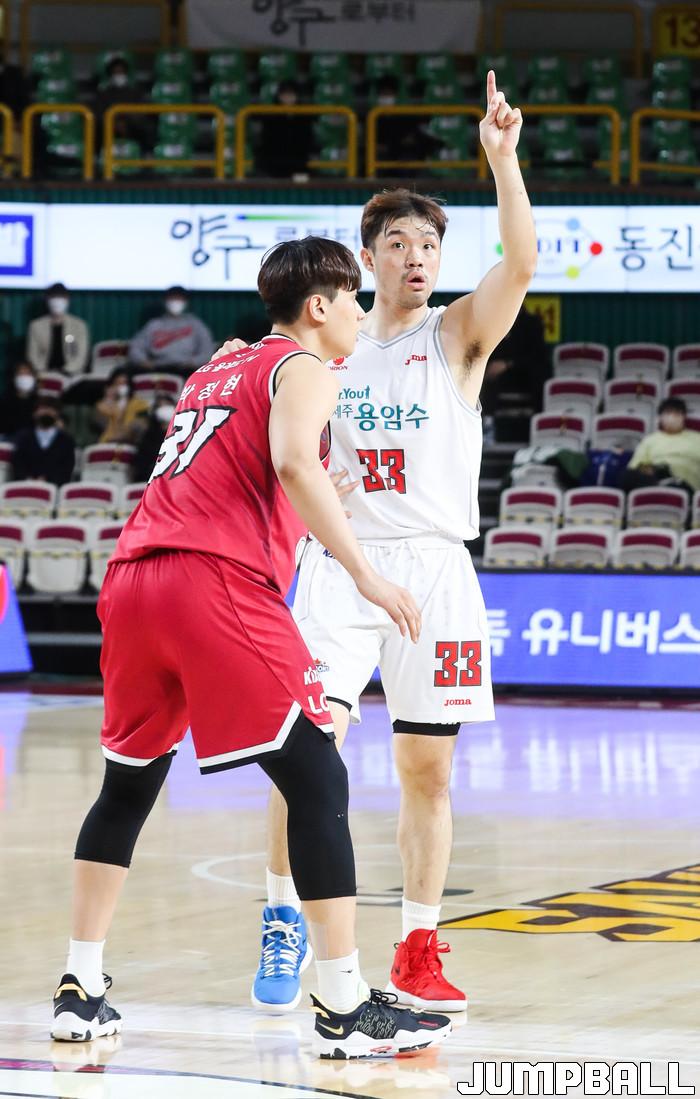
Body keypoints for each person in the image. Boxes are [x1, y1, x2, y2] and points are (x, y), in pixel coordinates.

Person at [50, 237, 451, 1061]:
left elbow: (248, 475)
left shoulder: (214, 370)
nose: (361, 312)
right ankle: (344, 1003)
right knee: (318, 776)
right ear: (318, 307)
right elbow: (293, 464)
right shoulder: (302, 367)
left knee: (126, 788)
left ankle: (79, 988)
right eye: (352, 299)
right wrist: (366, 573)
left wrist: (310, 490)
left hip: (134, 579)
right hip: (213, 582)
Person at [217, 71, 537, 1015]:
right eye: (397, 243)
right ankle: (284, 917)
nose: (416, 256)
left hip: (435, 569)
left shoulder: (456, 336)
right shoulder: (325, 348)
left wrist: (503, 160)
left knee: (427, 770)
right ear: (365, 259)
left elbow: (520, 264)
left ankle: (418, 947)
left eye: (429, 244)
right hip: (342, 568)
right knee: (309, 751)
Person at [128, 287, 214, 375]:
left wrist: (194, 362)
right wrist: (143, 361)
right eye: (173, 299)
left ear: (186, 302)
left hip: (187, 369)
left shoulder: (196, 324)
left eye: (179, 299)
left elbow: (207, 350)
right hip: (157, 368)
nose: (176, 302)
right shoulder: (154, 324)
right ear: (166, 301)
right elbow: (136, 348)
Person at [623, 396, 700, 494]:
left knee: (674, 484)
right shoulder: (650, 440)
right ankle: (664, 482)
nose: (672, 416)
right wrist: (650, 470)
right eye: (668, 413)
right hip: (654, 480)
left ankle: (668, 482)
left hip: (687, 486)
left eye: (676, 413)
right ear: (660, 417)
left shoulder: (697, 439)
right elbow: (635, 466)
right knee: (626, 476)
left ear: (683, 417)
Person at [26, 283, 90, 376]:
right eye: (53, 297)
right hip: (43, 375)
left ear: (67, 300)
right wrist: (43, 372)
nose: (57, 301)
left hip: (71, 375)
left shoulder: (79, 325)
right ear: (47, 300)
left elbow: (81, 356)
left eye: (61, 297)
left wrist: (65, 371)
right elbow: (32, 355)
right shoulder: (36, 326)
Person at [255, 80, 314, 180]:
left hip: (299, 163)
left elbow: (307, 140)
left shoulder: (304, 115)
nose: (287, 98)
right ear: (278, 96)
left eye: (291, 94)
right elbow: (266, 142)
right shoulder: (270, 116)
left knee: (301, 184)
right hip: (275, 164)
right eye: (284, 94)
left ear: (296, 95)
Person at [12, 396, 75, 485]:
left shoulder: (66, 441)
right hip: (25, 486)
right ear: (34, 413)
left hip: (55, 487)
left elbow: (67, 468)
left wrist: (47, 481)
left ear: (57, 414)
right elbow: (18, 464)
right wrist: (28, 479)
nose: (47, 412)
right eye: (43, 409)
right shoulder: (23, 438)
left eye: (51, 409)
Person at [93, 369, 149, 445]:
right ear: (111, 386)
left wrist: (127, 432)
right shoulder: (102, 405)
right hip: (108, 442)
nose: (121, 386)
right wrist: (110, 403)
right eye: (118, 383)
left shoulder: (141, 404)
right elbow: (100, 424)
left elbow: (143, 424)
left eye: (124, 383)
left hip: (132, 443)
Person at [131, 394, 176, 482]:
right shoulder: (149, 436)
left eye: (167, 405)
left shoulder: (183, 433)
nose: (165, 409)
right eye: (161, 406)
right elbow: (142, 462)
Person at [0, 362, 38, 438]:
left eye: (27, 374)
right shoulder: (4, 401)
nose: (24, 377)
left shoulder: (39, 402)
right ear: (14, 378)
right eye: (20, 374)